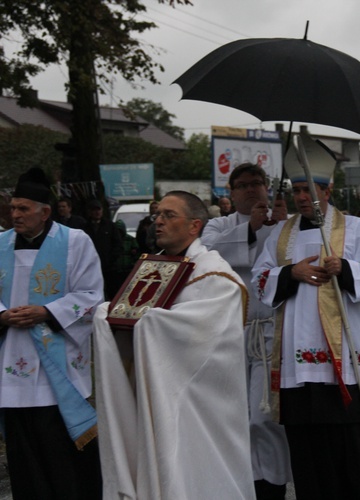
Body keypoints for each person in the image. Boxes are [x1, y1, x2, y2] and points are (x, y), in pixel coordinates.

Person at [251, 133, 360, 500]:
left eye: (308, 189)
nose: (300, 197)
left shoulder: (355, 229)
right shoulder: (282, 234)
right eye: (296, 189)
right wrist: (289, 273)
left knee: (349, 443)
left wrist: (344, 267)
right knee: (306, 444)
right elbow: (260, 279)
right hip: (296, 360)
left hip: (341, 361)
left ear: (327, 191)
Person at [93, 191, 256, 499]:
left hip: (200, 405)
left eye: (169, 215)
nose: (159, 222)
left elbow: (202, 336)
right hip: (155, 393)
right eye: (158, 215)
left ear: (195, 226)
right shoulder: (154, 269)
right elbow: (129, 312)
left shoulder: (216, 277)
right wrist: (107, 313)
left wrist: (150, 321)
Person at [0, 167, 104, 499]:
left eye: (23, 209)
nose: (14, 214)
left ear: (45, 212)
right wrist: (2, 315)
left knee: (59, 455)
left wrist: (47, 311)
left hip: (56, 365)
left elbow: (91, 296)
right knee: (22, 457)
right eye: (12, 207)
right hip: (11, 364)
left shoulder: (75, 242)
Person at [202, 163, 292, 500]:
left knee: (264, 416)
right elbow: (209, 255)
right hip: (229, 332)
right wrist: (251, 229)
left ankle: (272, 485)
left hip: (269, 332)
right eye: (243, 185)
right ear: (231, 192)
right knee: (231, 416)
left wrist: (283, 225)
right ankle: (240, 484)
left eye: (258, 183)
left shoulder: (287, 224)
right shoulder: (219, 225)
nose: (252, 189)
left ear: (268, 187)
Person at [84, 198, 123, 299]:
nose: (97, 212)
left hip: (109, 268)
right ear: (89, 211)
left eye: (99, 209)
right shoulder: (85, 227)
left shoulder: (110, 226)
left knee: (112, 293)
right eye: (94, 210)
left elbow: (118, 244)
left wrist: (111, 260)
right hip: (91, 267)